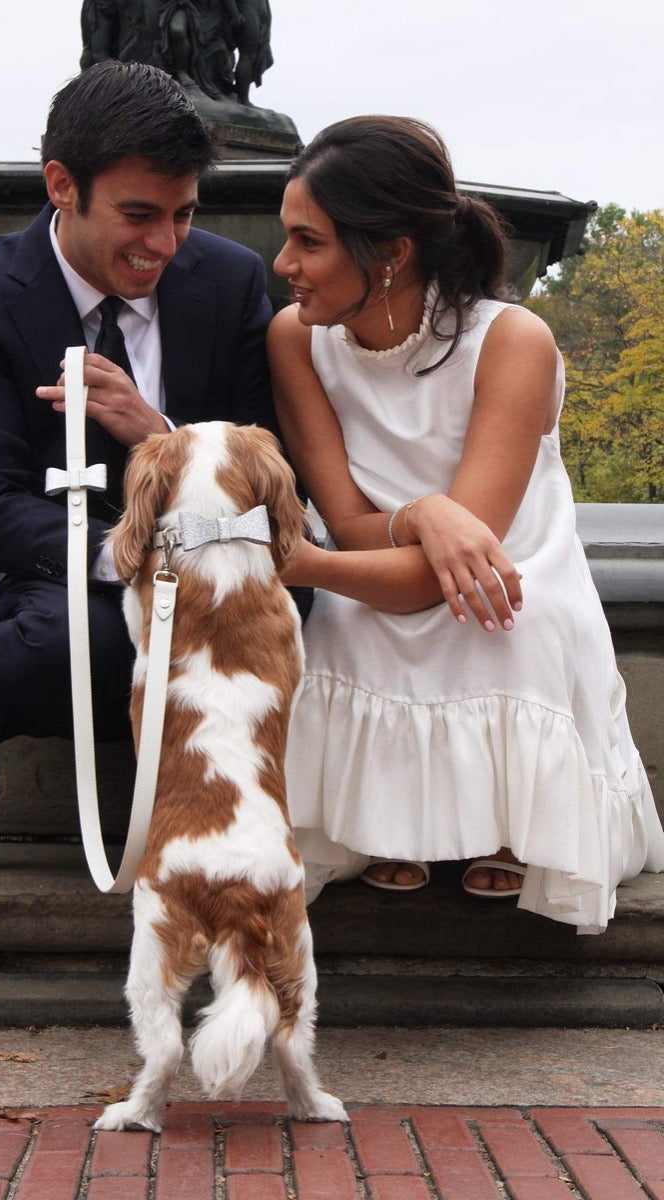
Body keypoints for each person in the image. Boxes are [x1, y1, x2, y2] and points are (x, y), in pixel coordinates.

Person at [0, 61, 280, 880]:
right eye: (138, 215)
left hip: (222, 554)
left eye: (183, 214)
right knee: (64, 640)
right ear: (62, 184)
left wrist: (160, 435)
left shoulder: (232, 280)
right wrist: (128, 559)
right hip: (65, 570)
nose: (164, 245)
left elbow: (271, 457)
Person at [267, 115, 664, 934]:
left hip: (506, 571)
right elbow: (345, 521)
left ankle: (511, 823)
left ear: (391, 253)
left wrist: (301, 566)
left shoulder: (510, 341)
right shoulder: (298, 343)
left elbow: (452, 569)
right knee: (343, 629)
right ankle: (390, 818)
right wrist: (419, 511)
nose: (285, 266)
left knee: (504, 621)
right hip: (372, 559)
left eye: (308, 242)